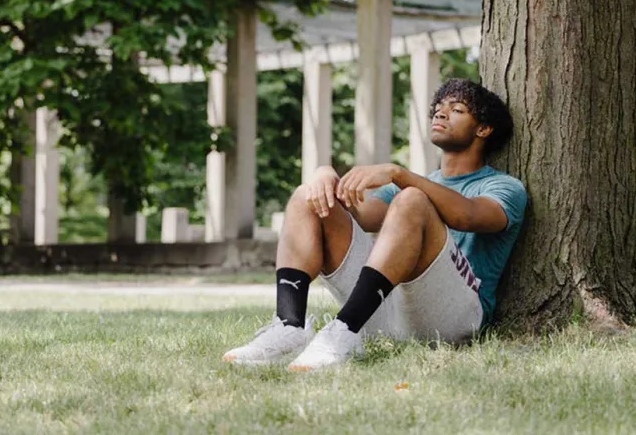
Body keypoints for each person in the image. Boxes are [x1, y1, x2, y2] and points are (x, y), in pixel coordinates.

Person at [222, 78, 528, 371]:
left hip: (454, 318)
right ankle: (289, 325)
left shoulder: (503, 187)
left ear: (483, 129)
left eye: (458, 109)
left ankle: (343, 330)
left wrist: (398, 173)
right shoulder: (413, 186)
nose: (441, 112)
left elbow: (468, 215)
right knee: (309, 196)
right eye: (439, 107)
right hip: (389, 311)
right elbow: (356, 214)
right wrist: (324, 175)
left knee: (413, 200)